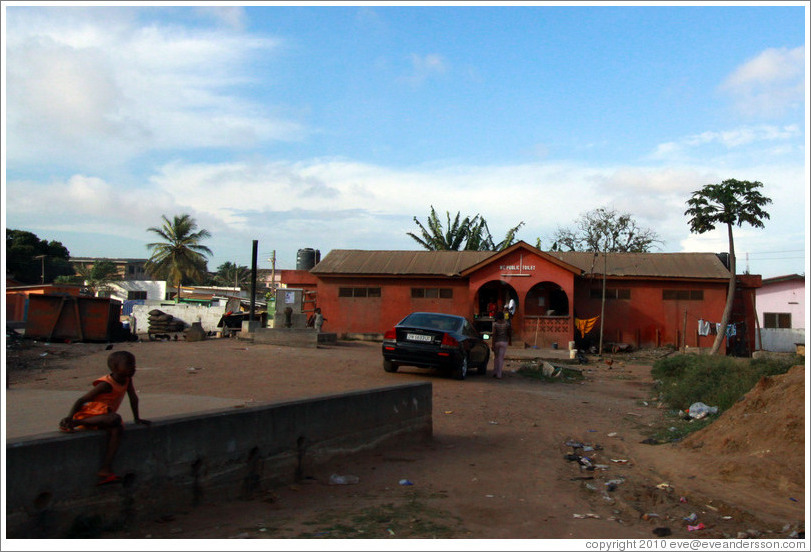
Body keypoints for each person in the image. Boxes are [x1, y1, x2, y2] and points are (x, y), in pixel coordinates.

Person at [59, 350, 151, 485]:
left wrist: (137, 418)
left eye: (134, 365)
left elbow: (133, 398)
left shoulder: (127, 380)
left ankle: (105, 469)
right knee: (115, 419)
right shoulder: (106, 384)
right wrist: (70, 418)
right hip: (90, 415)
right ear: (115, 368)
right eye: (129, 365)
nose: (133, 368)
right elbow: (82, 400)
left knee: (118, 430)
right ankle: (75, 423)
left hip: (106, 416)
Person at [491, 311, 510, 379]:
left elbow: (494, 335)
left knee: (496, 357)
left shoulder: (495, 324)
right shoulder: (507, 324)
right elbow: (509, 333)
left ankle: (495, 372)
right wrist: (509, 341)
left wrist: (492, 344)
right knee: (501, 358)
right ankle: (499, 374)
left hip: (497, 342)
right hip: (504, 342)